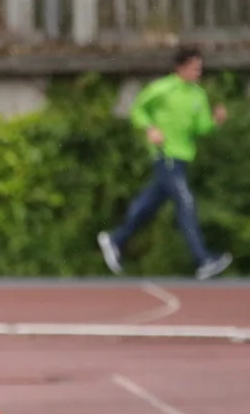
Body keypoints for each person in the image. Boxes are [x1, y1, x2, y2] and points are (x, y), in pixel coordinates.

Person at [97, 45, 231, 280]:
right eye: (193, 68)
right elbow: (137, 110)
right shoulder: (162, 89)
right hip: (165, 155)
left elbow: (200, 128)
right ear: (180, 67)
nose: (197, 72)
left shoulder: (198, 95)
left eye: (199, 68)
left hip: (182, 158)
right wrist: (150, 129)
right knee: (186, 203)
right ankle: (203, 260)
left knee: (149, 204)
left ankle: (115, 240)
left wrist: (215, 121)